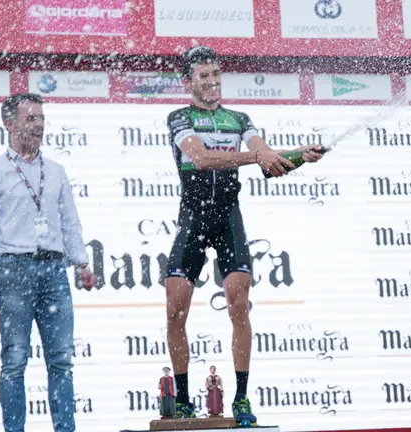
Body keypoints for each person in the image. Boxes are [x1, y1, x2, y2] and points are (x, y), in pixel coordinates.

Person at [163, 46, 327, 425]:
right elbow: (200, 158)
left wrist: (297, 155)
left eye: (217, 74)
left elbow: (266, 155)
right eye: (204, 76)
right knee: (175, 306)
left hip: (227, 217)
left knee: (239, 303)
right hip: (193, 214)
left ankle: (240, 398)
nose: (213, 82)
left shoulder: (239, 118)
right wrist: (257, 159)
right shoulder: (179, 117)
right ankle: (184, 398)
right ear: (189, 82)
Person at [0, 93, 97, 432]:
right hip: (13, 270)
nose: (38, 125)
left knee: (62, 361)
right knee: (14, 361)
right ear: (10, 124)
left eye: (41, 118)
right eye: (31, 118)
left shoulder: (55, 171)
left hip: (54, 271)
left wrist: (81, 262)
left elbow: (70, 221)